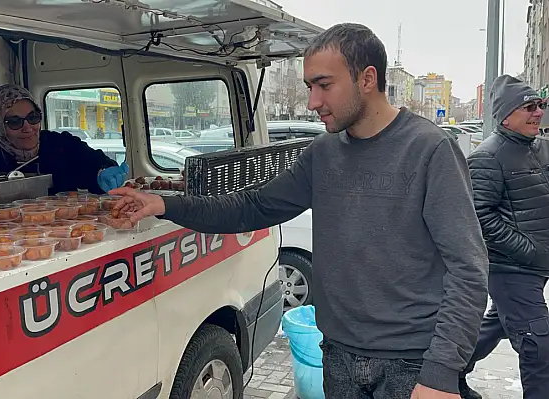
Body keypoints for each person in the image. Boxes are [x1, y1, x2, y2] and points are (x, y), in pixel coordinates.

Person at [110, 23, 489, 399]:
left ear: (367, 78)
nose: (313, 102)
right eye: (310, 87)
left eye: (324, 85)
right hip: (339, 356)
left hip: (412, 363)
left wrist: (441, 373)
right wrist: (163, 203)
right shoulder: (323, 154)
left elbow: (469, 269)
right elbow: (253, 206)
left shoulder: (430, 149)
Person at [460, 75, 549, 399]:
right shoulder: (487, 157)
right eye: (529, 107)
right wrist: (530, 251)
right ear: (506, 114)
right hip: (512, 270)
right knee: (539, 347)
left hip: (534, 268)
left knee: (493, 325)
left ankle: (447, 373)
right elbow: (480, 217)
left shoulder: (538, 148)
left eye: (539, 105)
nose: (538, 112)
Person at [0, 84, 127, 194]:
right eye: (14, 122)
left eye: (33, 117)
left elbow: (93, 162)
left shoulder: (61, 145)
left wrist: (103, 172)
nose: (27, 128)